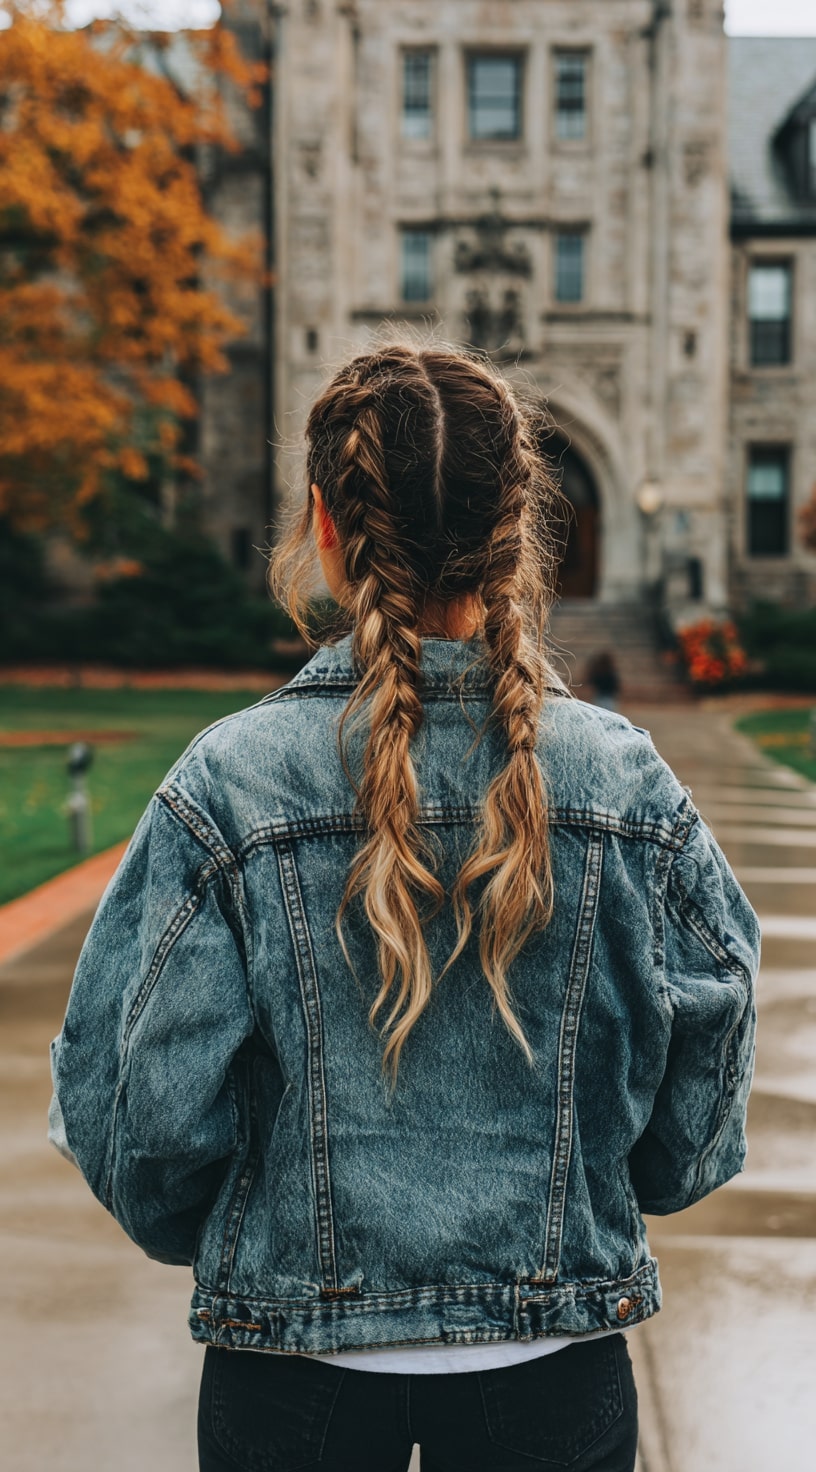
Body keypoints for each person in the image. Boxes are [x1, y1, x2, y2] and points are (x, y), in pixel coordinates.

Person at [48, 343, 760, 1472]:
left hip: (292, 1382)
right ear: (516, 528)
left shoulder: (226, 784)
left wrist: (249, 1232)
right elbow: (700, 1088)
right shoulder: (627, 783)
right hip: (555, 1373)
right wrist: (608, 1186)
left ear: (325, 527)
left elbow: (136, 1115)